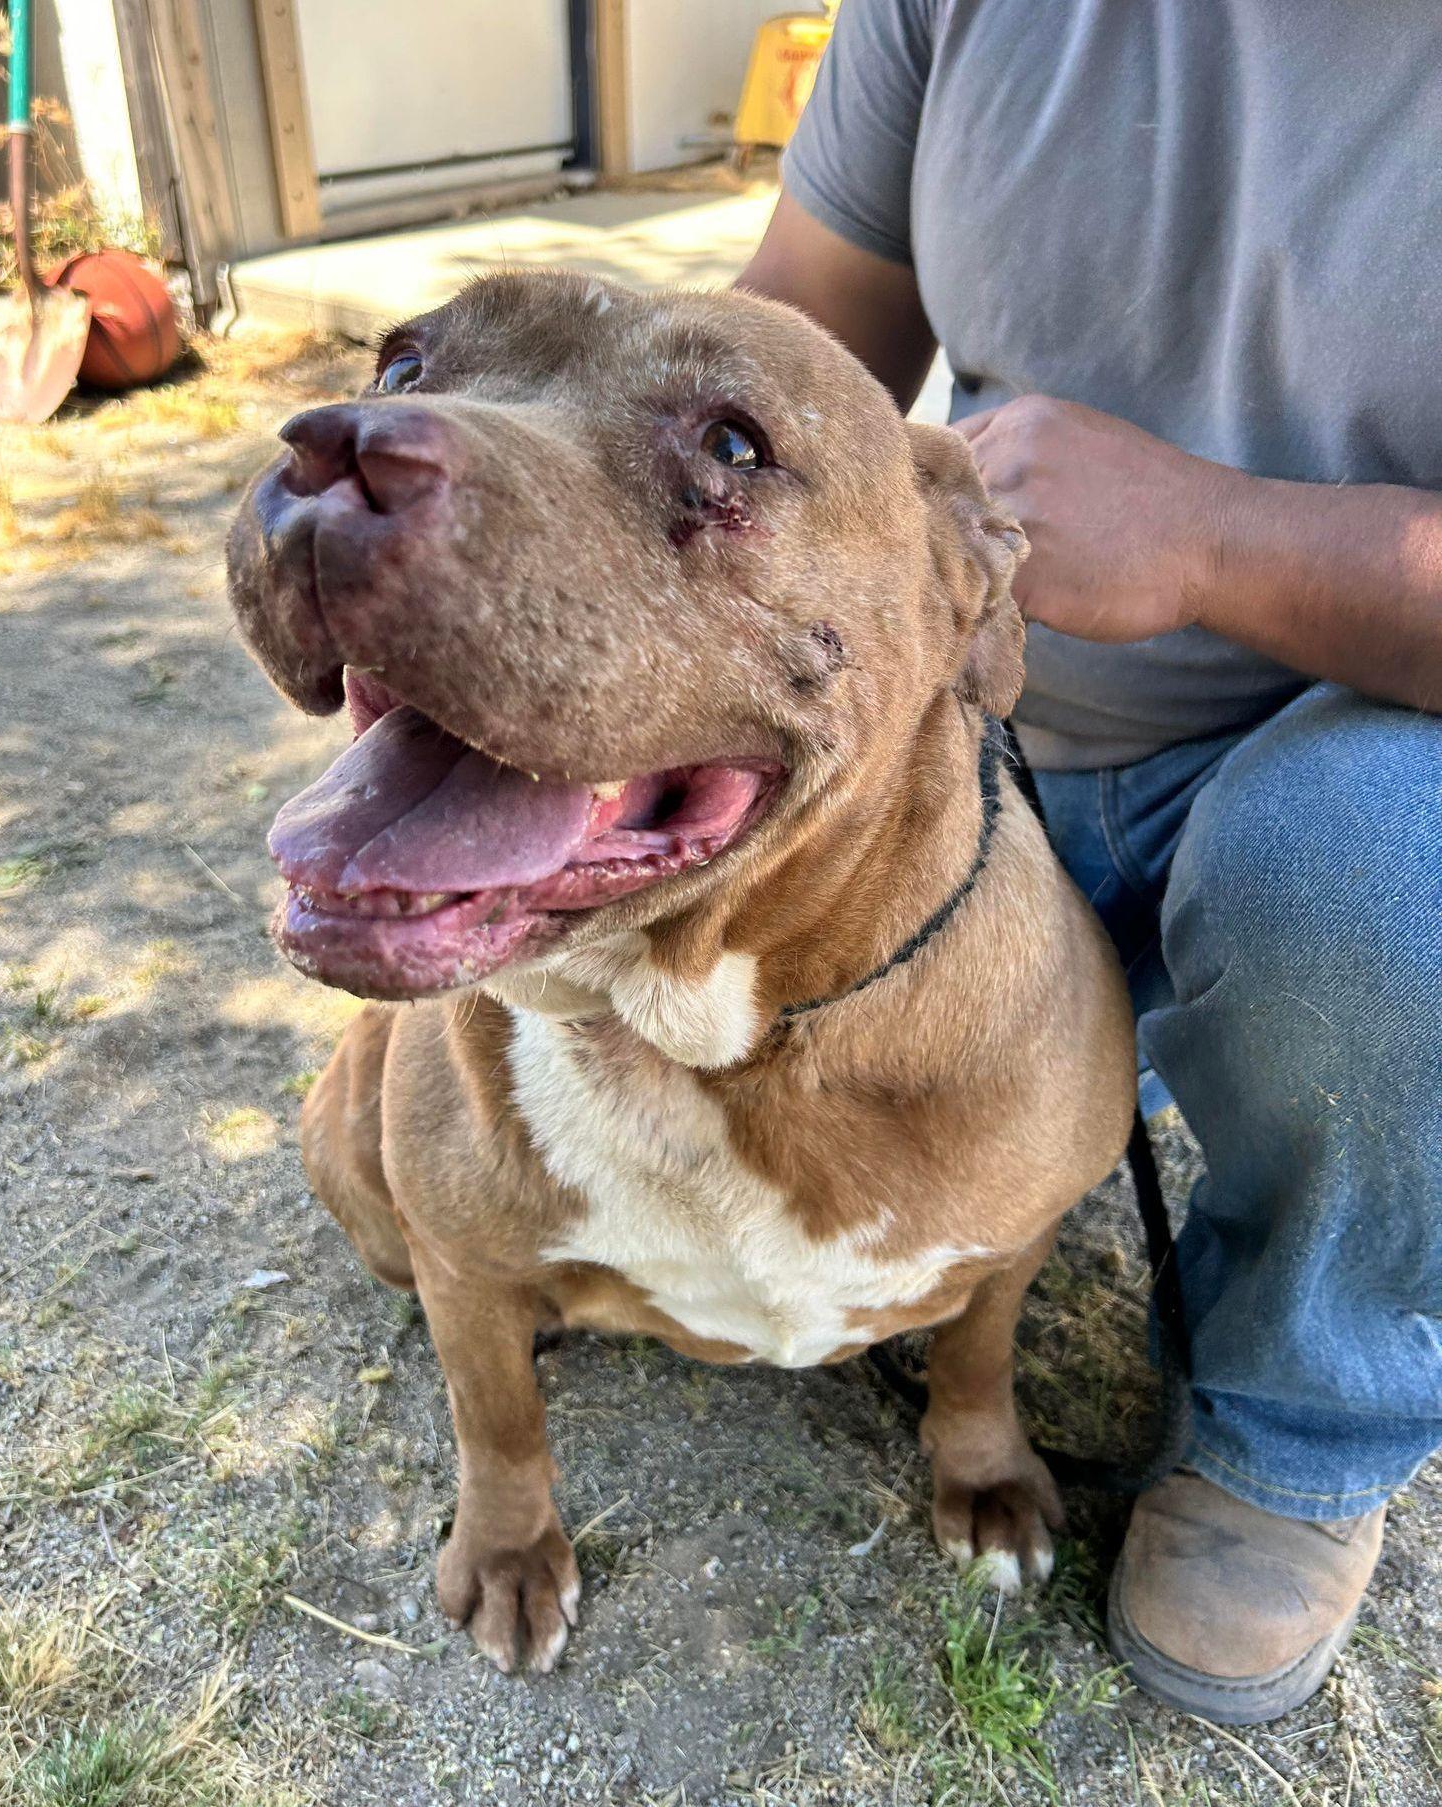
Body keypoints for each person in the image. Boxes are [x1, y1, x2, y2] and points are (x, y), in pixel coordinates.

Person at [737, 0, 1442, 1725]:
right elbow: (788, 340)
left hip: (1342, 735)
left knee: (1375, 889)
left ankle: (1301, 1415)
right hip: (977, 733)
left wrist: (1209, 538)